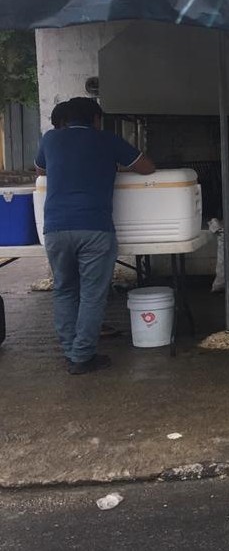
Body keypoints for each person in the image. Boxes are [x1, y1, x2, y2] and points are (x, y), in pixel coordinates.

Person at [35, 97, 156, 375]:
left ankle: (71, 352)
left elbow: (41, 171)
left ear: (67, 118)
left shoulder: (50, 139)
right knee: (92, 294)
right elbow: (147, 167)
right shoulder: (107, 140)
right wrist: (112, 166)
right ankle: (83, 356)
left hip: (55, 228)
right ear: (96, 119)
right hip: (94, 228)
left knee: (64, 290)